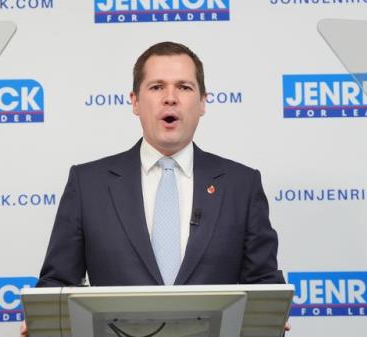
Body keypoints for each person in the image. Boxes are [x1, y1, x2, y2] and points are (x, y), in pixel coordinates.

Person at [20, 42, 287, 336]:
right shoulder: (88, 184)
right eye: (157, 87)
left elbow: (263, 286)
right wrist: (42, 321)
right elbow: (57, 285)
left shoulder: (241, 185)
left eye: (184, 87)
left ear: (202, 103)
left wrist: (272, 314)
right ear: (135, 101)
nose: (170, 98)